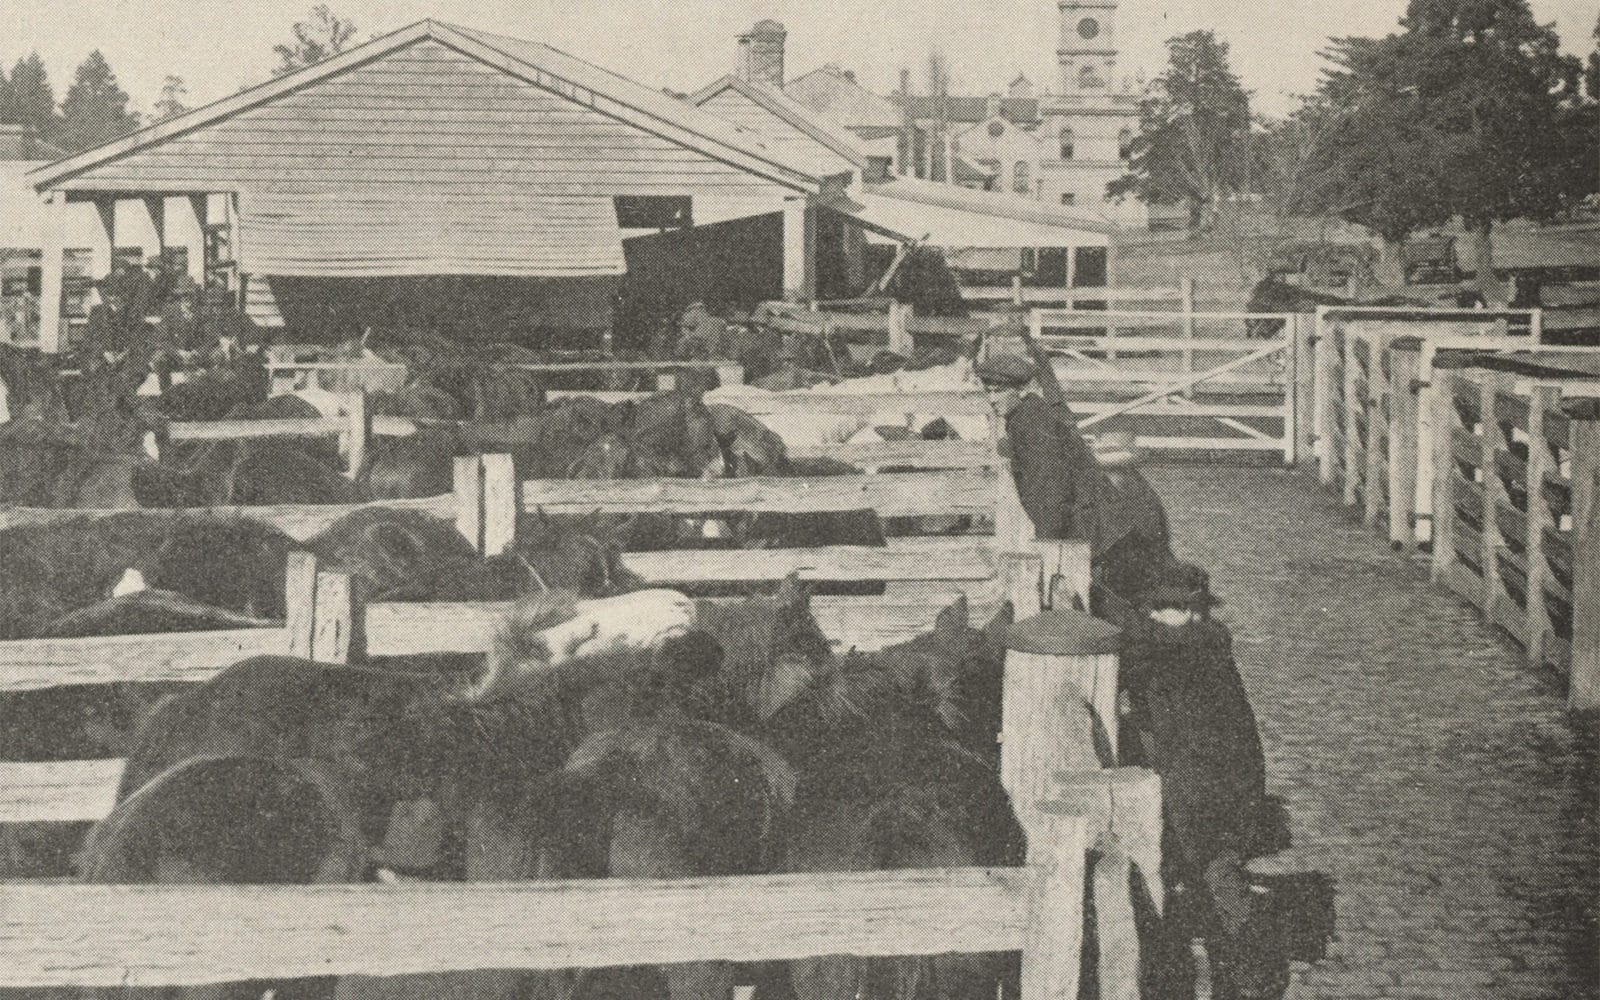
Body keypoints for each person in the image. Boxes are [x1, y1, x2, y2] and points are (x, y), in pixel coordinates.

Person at [1120, 606, 1287, 1000]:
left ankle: (1252, 971)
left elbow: (1181, 743)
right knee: (1216, 869)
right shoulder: (1210, 650)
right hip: (1235, 786)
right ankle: (1246, 962)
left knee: (1217, 874)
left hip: (1203, 794)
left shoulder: (1165, 654)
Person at [975, 350, 1107, 548]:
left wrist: (1046, 542)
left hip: (1084, 528)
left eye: (999, 391)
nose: (992, 399)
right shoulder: (1023, 413)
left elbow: (1050, 486)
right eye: (989, 391)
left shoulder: (1031, 422)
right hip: (1078, 522)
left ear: (1019, 390)